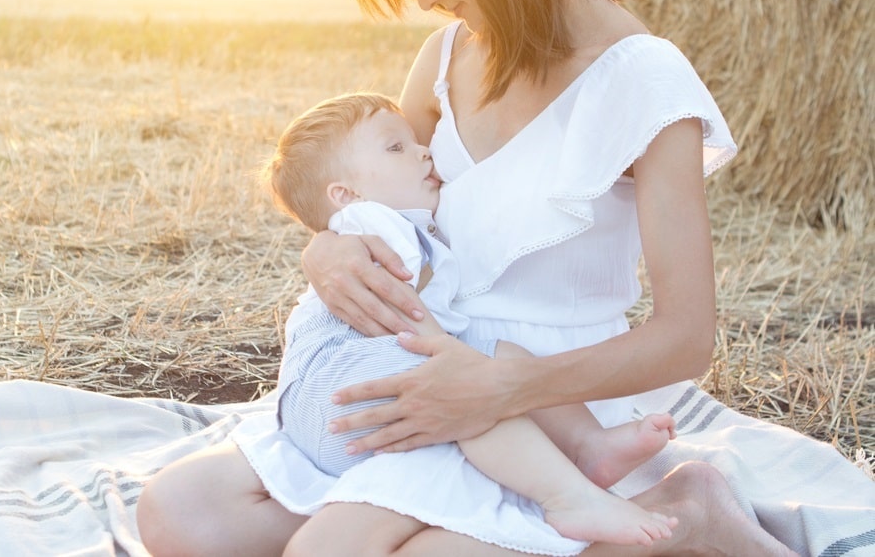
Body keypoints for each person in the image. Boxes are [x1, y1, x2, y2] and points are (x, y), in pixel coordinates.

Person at [137, 0, 797, 556]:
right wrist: (325, 251)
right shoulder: (445, 59)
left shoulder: (644, 79)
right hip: (424, 380)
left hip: (550, 412)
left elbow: (685, 339)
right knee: (181, 512)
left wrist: (503, 389)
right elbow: (375, 197)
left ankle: (686, 509)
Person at [263, 89, 678, 549]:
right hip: (341, 387)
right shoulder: (376, 226)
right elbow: (406, 312)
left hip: (324, 407)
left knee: (501, 357)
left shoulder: (377, 226)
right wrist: (458, 367)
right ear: (346, 195)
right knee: (470, 389)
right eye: (396, 147)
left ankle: (588, 444)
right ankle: (568, 497)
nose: (423, 150)